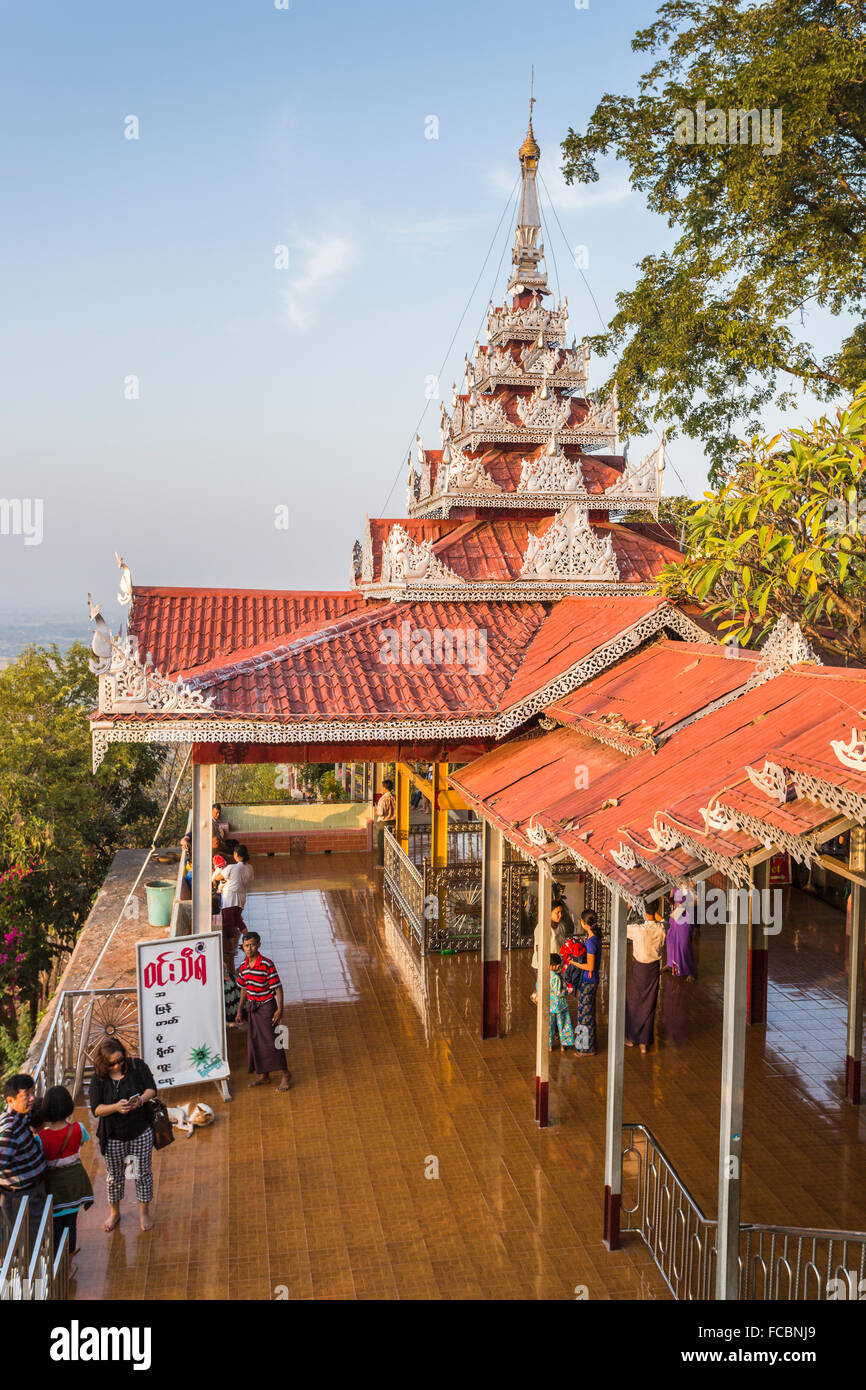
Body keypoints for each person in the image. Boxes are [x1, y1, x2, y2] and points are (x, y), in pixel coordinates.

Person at [88, 1038, 158, 1232]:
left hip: (140, 1131)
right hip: (113, 1136)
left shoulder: (137, 1067)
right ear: (103, 1064)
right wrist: (116, 1107)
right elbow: (96, 1109)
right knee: (114, 1177)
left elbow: (152, 1089)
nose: (118, 1065)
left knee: (143, 1173)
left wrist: (140, 1101)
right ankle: (114, 1212)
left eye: (120, 1060)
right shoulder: (99, 1078)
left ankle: (144, 1212)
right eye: (112, 1063)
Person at [33, 1085, 93, 1259]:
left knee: (56, 1222)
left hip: (54, 1185)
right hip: (74, 1182)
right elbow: (80, 1145)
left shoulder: (41, 1138)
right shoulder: (78, 1129)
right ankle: (70, 1255)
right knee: (71, 1221)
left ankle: (58, 1258)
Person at [235, 932, 290, 1091]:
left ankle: (285, 1074)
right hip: (253, 1008)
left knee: (272, 1041)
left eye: (252, 945)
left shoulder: (267, 964)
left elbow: (277, 988)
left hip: (267, 1007)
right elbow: (244, 990)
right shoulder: (243, 968)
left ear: (258, 945)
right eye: (246, 946)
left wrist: (280, 1008)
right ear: (243, 947)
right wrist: (240, 1010)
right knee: (255, 1042)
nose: (249, 948)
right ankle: (264, 1075)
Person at [0, 1074, 46, 1247]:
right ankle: (33, 1272)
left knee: (38, 1234)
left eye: (33, 1092)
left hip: (33, 1189)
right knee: (29, 1242)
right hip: (22, 1197)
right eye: (26, 1095)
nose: (32, 1098)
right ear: (10, 1100)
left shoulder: (22, 1117)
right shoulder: (9, 1129)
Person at [625, 908, 666, 1054]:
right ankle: (644, 1043)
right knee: (649, 1004)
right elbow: (665, 922)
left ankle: (630, 1038)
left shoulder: (638, 930)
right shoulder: (661, 929)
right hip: (653, 969)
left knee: (633, 1001)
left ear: (643, 912)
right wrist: (653, 912)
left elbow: (619, 925)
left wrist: (628, 908)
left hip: (640, 968)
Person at [568, 910, 601, 1056]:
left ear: (584, 923)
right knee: (588, 1013)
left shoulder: (591, 942)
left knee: (584, 1015)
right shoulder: (594, 939)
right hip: (590, 980)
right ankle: (590, 1044)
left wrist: (573, 962)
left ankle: (585, 1048)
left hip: (588, 981)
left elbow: (590, 966)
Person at [531, 954, 574, 1051]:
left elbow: (538, 987)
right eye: (558, 965)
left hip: (548, 1004)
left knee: (549, 1025)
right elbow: (559, 992)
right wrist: (567, 991)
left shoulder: (542, 975)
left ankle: (549, 1045)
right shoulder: (557, 977)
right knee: (563, 1024)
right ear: (554, 965)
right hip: (559, 1005)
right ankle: (564, 1044)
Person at [665, 886, 697, 980]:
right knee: (671, 940)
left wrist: (683, 906)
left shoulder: (690, 883)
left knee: (684, 943)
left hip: (686, 916)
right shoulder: (674, 884)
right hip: (675, 915)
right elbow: (672, 899)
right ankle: (671, 964)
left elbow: (697, 900)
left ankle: (689, 971)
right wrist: (667, 898)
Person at [375, 779, 396, 866]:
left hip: (384, 823)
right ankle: (392, 863)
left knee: (381, 844)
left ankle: (381, 864)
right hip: (393, 822)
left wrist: (375, 810)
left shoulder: (383, 799)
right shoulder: (394, 797)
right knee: (392, 844)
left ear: (384, 788)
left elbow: (380, 813)